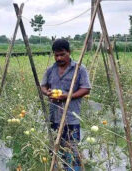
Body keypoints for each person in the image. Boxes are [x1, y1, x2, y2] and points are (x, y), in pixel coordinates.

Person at [41, 39, 91, 171]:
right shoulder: (51, 70)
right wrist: (48, 92)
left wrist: (68, 96)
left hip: (71, 117)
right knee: (55, 149)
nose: (59, 58)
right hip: (54, 116)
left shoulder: (79, 69)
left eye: (62, 54)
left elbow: (86, 89)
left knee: (72, 150)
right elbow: (43, 86)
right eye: (56, 55)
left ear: (69, 52)